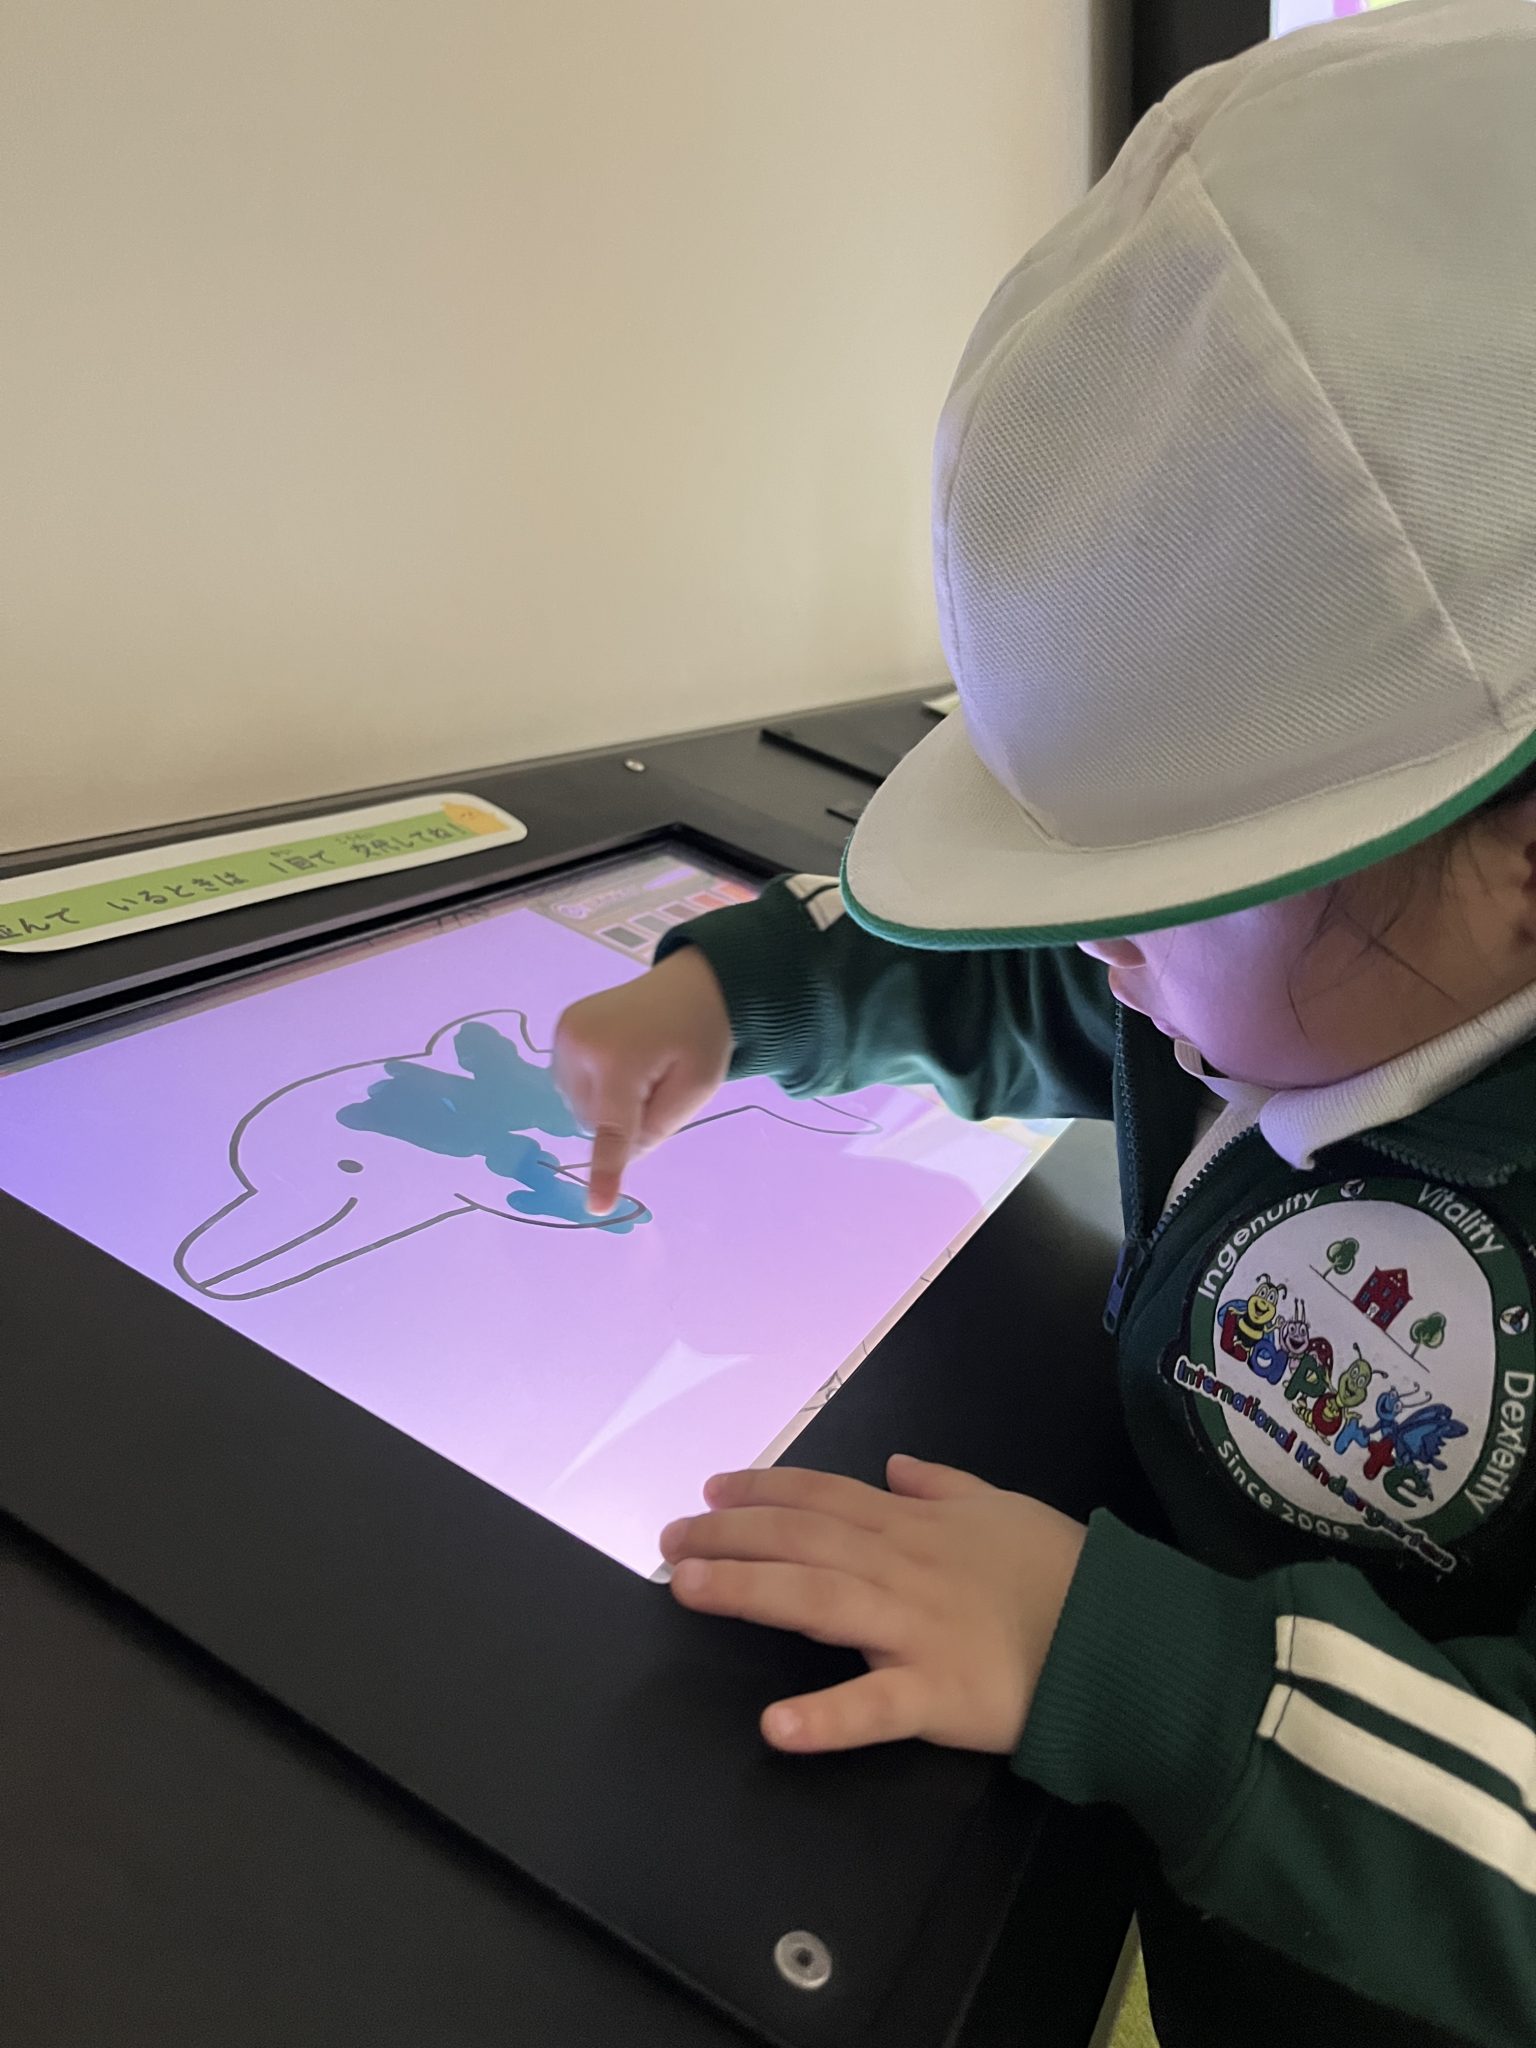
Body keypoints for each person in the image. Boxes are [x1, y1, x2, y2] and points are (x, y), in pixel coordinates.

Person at [553, 4, 1536, 2042]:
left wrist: (1154, 1678)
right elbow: (1022, 976)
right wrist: (748, 990)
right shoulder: (1268, 998)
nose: (1096, 947)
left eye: (1165, 878)